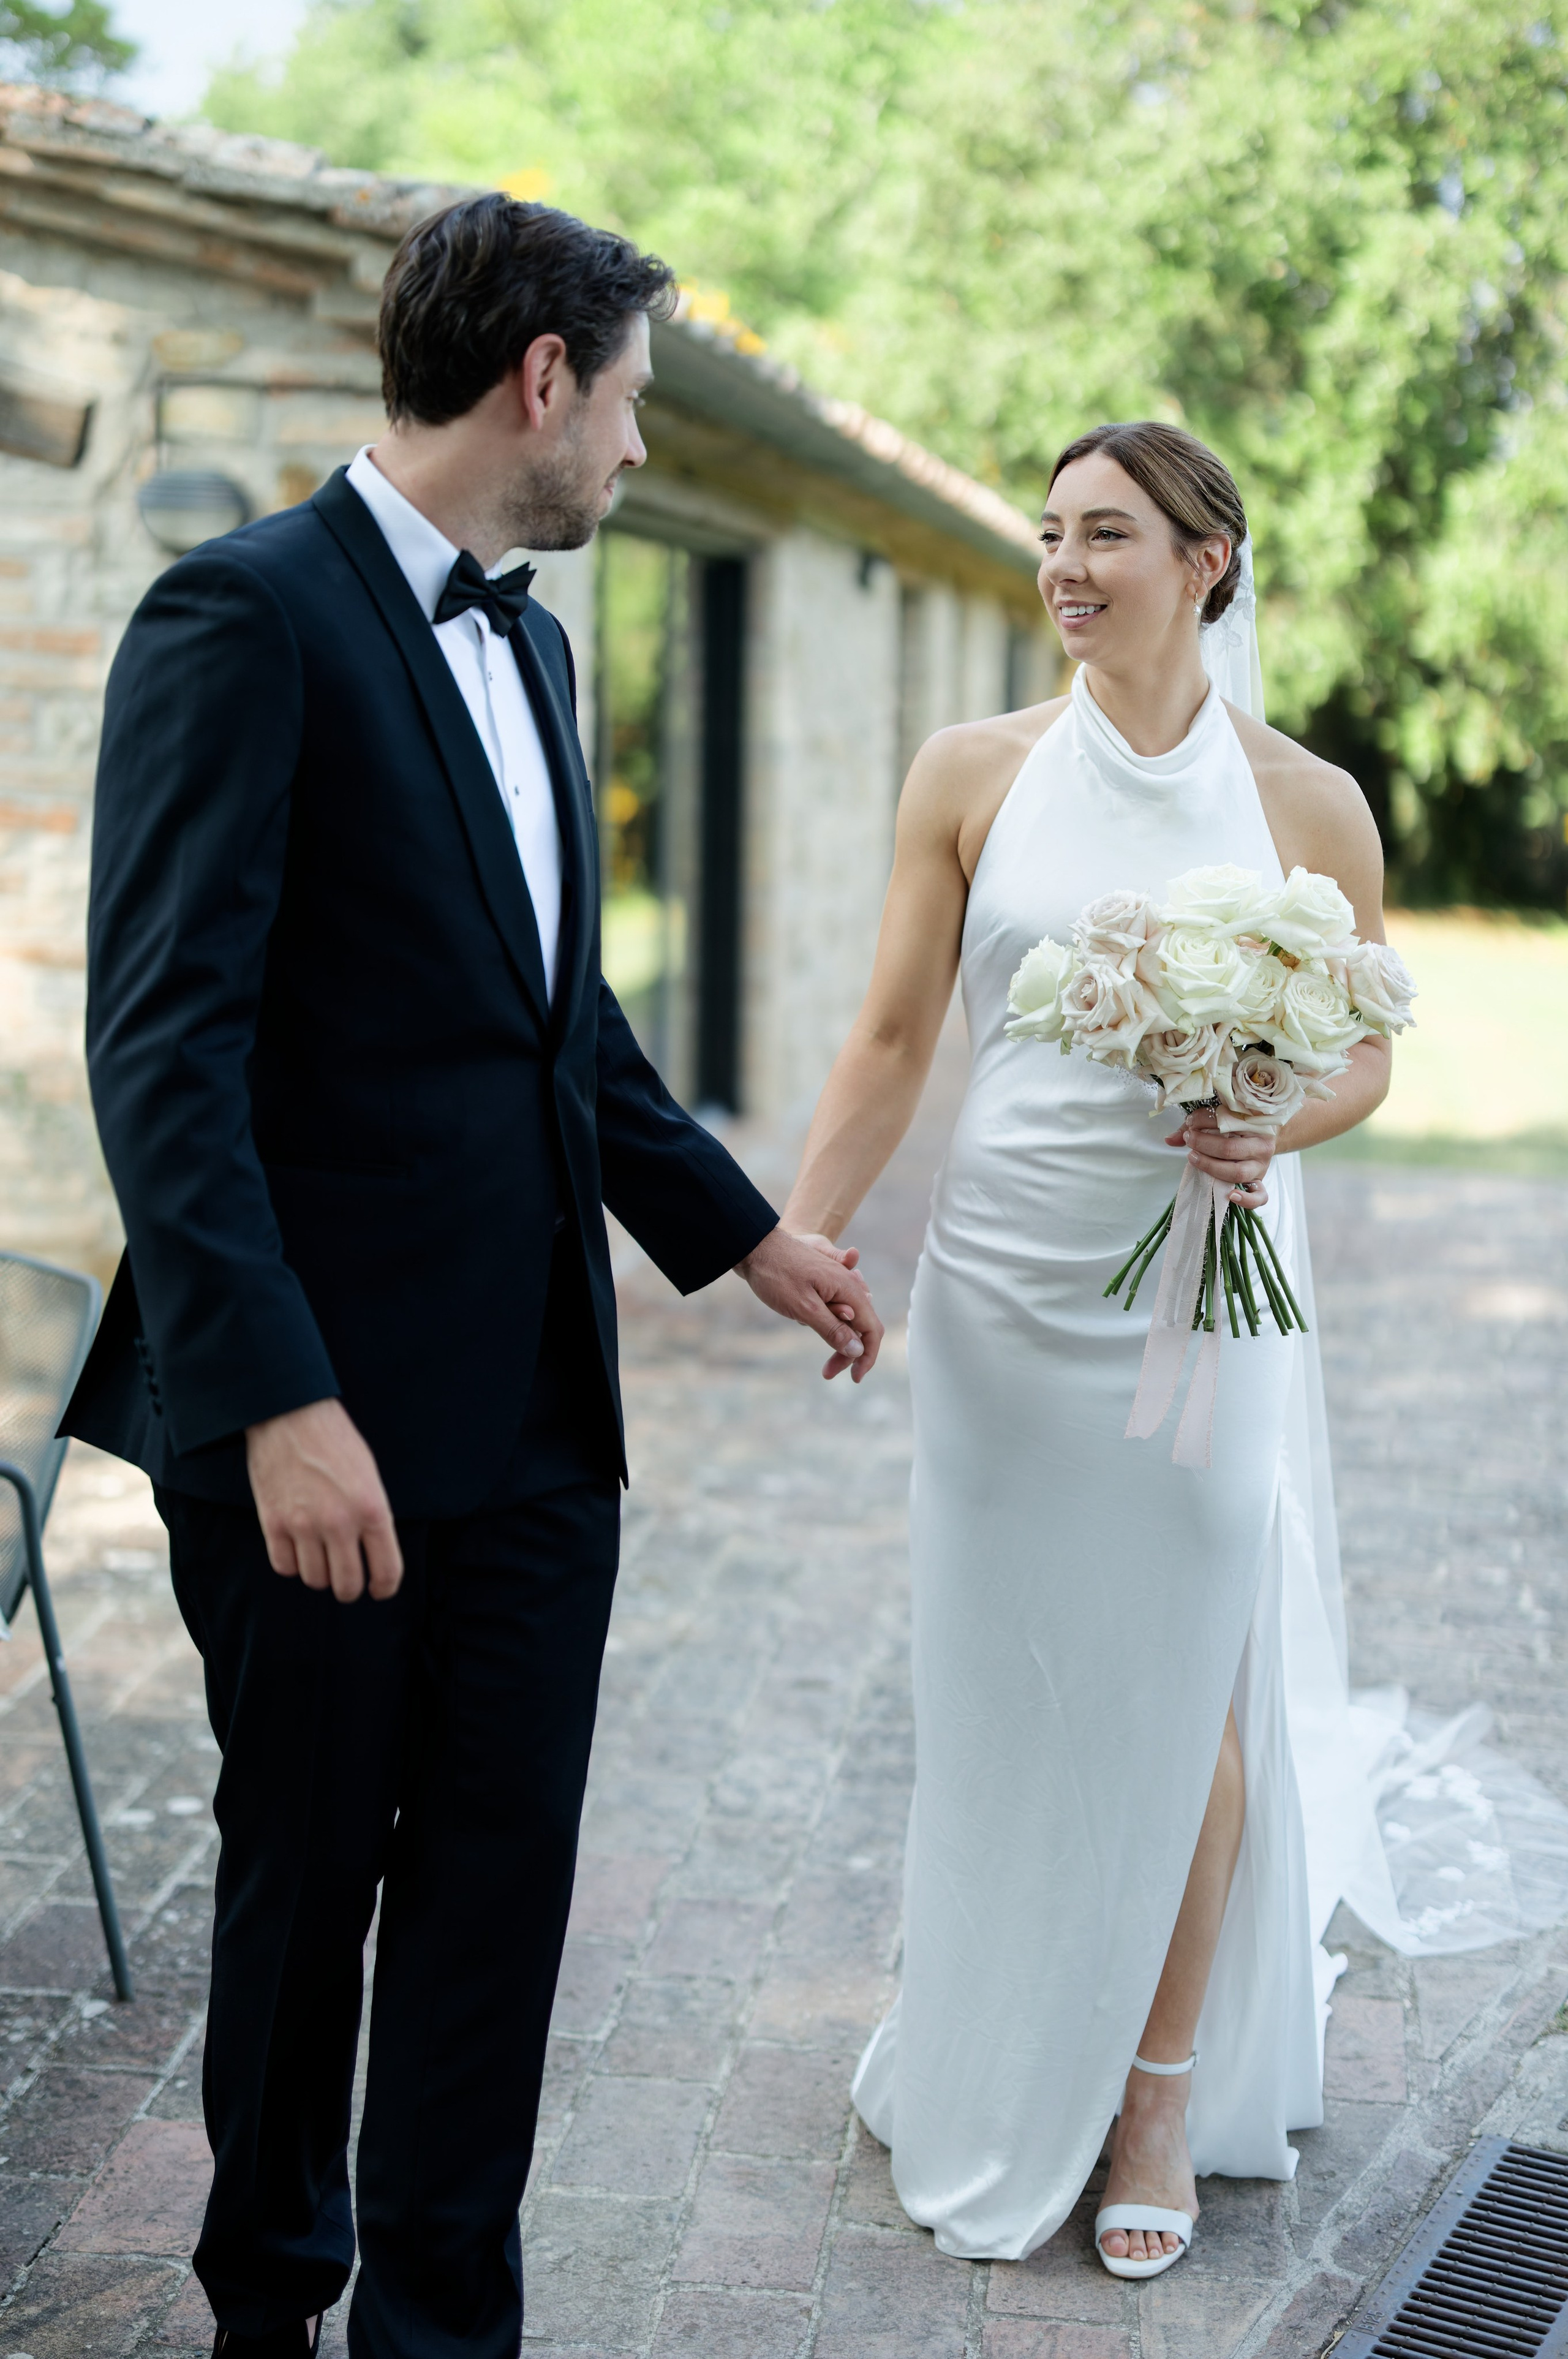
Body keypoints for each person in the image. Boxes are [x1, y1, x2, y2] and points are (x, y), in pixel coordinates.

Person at [62, 194, 883, 2358]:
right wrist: (274, 1396)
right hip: (315, 1432)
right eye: (624, 404)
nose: (631, 452)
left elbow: (557, 1028)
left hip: (536, 1424)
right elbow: (161, 1049)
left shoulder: (529, 642)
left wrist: (747, 1235)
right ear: (542, 376)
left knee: (497, 1904)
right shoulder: (236, 620)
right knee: (305, 1897)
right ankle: (268, 2313)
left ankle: (445, 2328)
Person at [779, 420, 1394, 2274]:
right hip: (1006, 1304)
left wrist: (1277, 1122)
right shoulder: (971, 772)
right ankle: (985, 2038)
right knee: (1008, 1681)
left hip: (1203, 1298)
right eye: (1052, 533)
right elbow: (893, 1039)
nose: (1064, 565)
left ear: (1211, 557)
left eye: (1107, 534)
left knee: (1191, 1680)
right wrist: (802, 1230)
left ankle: (1154, 2082)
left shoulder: (1307, 802)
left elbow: (1368, 1045)